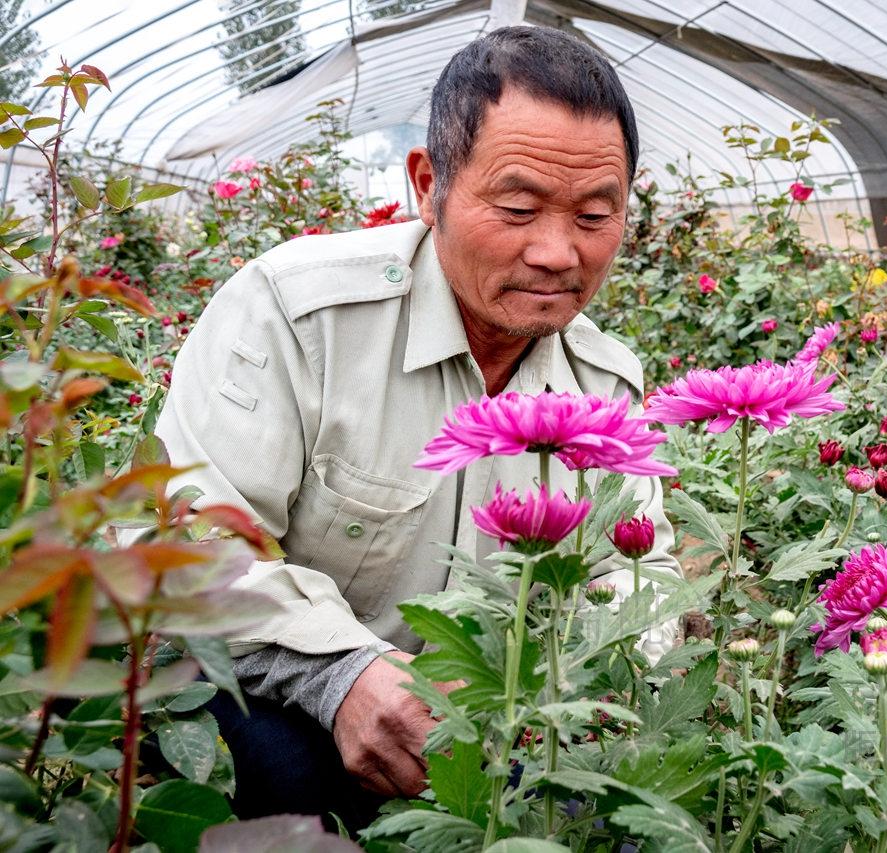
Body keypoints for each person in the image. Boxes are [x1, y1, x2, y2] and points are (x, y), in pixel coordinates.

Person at [154, 25, 682, 825]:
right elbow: (185, 545)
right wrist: (344, 674)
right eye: (517, 207)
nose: (556, 252)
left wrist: (578, 691)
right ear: (427, 184)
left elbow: (642, 577)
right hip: (291, 697)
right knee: (271, 773)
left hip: (499, 733)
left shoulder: (604, 385)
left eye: (595, 214)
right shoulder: (301, 317)